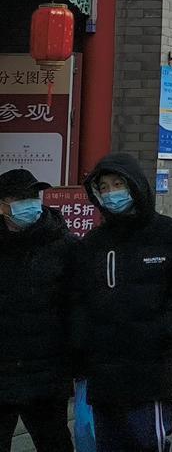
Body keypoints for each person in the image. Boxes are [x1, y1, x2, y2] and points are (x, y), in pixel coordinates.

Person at [72, 153, 172, 452]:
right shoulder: (92, 244)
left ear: (134, 186)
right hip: (103, 365)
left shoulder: (167, 233)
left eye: (118, 184)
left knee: (147, 442)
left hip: (149, 364)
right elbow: (77, 299)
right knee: (108, 442)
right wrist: (81, 345)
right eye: (103, 187)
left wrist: (167, 332)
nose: (111, 193)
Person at [0, 169, 76, 452]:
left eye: (33, 196)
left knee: (54, 442)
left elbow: (76, 305)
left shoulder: (63, 245)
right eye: (18, 198)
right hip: (3, 367)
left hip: (47, 372)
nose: (29, 204)